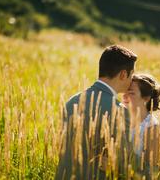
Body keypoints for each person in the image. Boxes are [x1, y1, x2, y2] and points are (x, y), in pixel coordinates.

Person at [55, 45, 137, 180]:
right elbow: (124, 163)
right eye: (131, 75)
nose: (131, 80)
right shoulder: (119, 111)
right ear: (123, 74)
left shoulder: (72, 102)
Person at [123, 74, 160, 179]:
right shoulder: (122, 120)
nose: (125, 95)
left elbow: (152, 172)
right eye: (124, 91)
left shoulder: (154, 129)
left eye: (131, 93)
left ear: (146, 98)